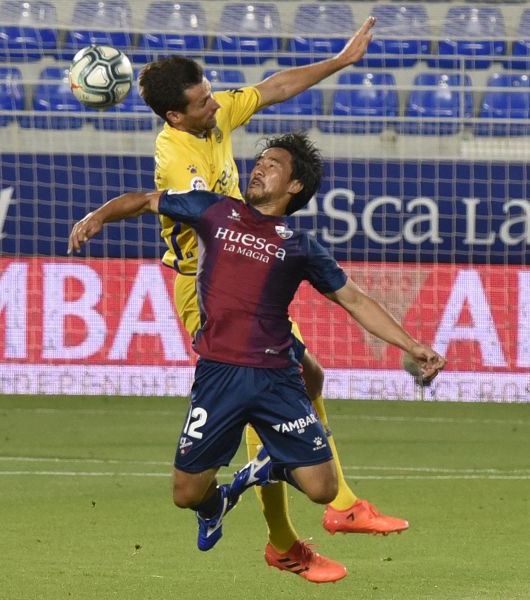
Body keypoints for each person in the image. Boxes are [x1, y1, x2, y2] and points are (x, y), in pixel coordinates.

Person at [69, 132, 446, 582]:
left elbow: (356, 300)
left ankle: (269, 467)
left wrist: (411, 344)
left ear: (294, 187)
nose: (259, 167)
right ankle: (225, 499)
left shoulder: (300, 245)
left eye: (274, 164)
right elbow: (144, 200)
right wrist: (99, 216)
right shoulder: (214, 209)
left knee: (323, 491)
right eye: (260, 160)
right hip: (218, 375)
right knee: (187, 494)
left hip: (275, 377)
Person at [137, 16, 410, 582]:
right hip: (210, 281)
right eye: (204, 102)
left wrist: (339, 61)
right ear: (176, 117)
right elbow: (222, 221)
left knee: (307, 375)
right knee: (268, 382)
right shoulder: (176, 155)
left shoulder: (210, 118)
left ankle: (319, 507)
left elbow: (274, 86)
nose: (217, 105)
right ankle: (306, 528)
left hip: (248, 270)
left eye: (212, 94)